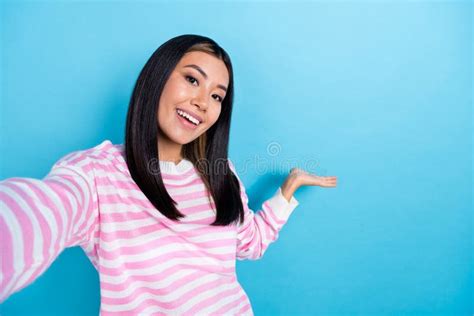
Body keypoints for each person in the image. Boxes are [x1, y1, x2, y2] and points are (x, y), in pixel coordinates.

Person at [0, 34, 337, 315]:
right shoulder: (97, 174)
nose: (204, 102)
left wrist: (287, 191)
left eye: (217, 96)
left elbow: (250, 243)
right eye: (192, 79)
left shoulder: (220, 175)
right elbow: (38, 213)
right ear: (158, 76)